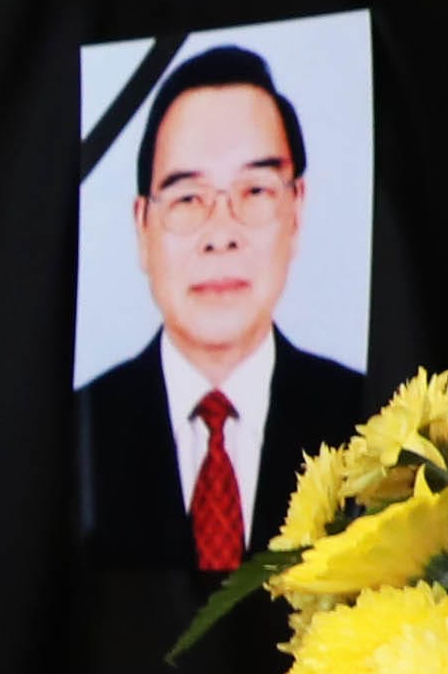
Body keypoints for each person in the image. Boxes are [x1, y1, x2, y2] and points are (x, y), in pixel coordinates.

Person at [74, 43, 364, 576]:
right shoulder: (78, 430)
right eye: (188, 198)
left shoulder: (367, 421)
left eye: (254, 190)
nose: (221, 235)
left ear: (296, 210)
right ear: (142, 227)